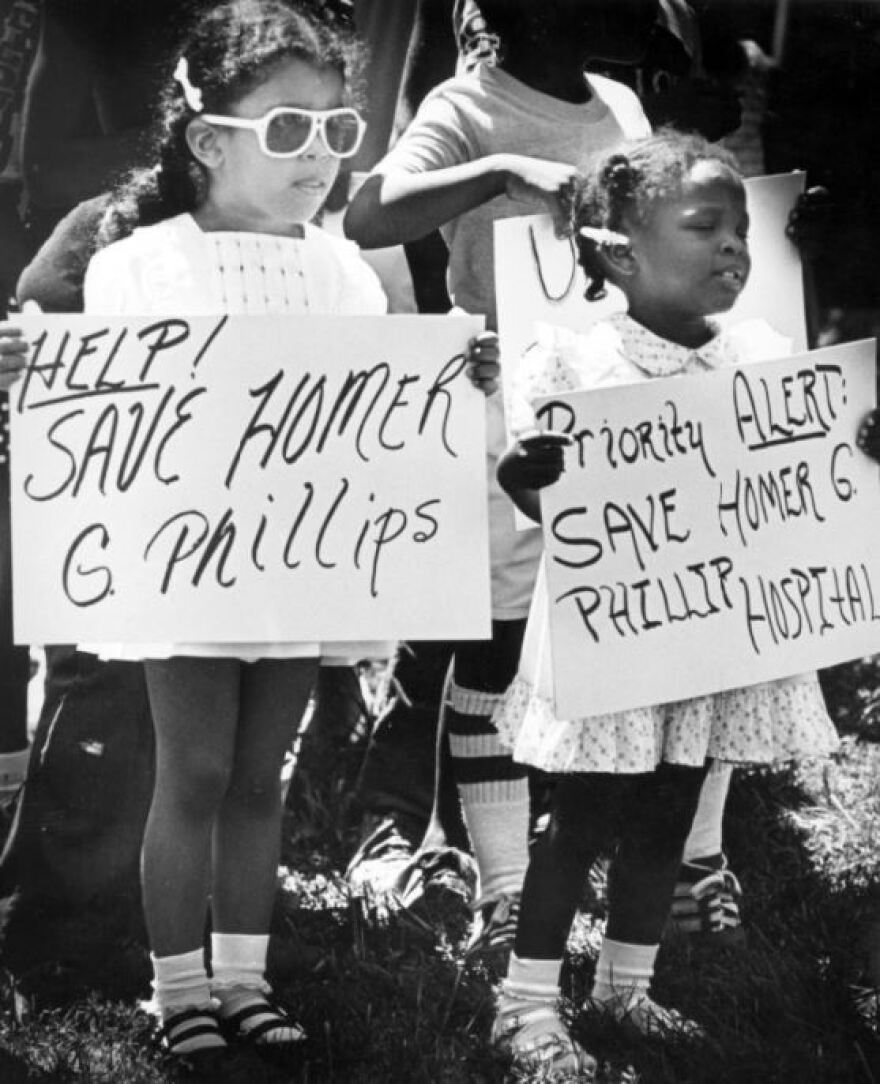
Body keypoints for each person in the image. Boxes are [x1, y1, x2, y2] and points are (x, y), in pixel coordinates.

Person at [488, 129, 842, 1074]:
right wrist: (526, 473)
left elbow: (803, 479)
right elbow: (540, 500)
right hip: (610, 645)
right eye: (705, 226)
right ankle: (524, 1002)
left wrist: (856, 441)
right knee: (581, 822)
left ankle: (626, 989)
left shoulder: (758, 360)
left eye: (740, 231)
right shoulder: (571, 361)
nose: (734, 246)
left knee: (669, 816)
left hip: (707, 643)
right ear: (619, 251)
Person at [344, 0, 658, 957]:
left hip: (611, 396)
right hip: (500, 404)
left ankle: (657, 856)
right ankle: (497, 877)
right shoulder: (466, 106)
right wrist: (501, 171)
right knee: (490, 642)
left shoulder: (619, 102)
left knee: (617, 628)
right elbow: (366, 215)